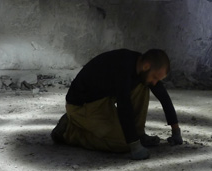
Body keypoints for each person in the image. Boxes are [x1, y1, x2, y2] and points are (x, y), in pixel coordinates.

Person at [50, 48, 182, 160]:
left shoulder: (140, 65)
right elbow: (124, 107)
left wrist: (176, 130)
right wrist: (134, 144)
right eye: (155, 77)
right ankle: (68, 131)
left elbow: (162, 94)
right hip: (82, 106)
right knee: (123, 144)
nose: (155, 82)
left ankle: (139, 134)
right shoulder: (123, 68)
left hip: (103, 99)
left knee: (144, 85)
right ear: (146, 66)